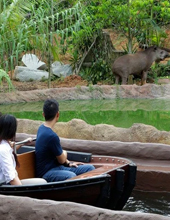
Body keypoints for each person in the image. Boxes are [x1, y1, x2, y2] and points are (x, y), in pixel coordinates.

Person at [35, 99, 95, 182]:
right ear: (58, 114)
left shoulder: (41, 128)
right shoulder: (52, 136)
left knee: (90, 168)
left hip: (58, 167)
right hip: (47, 172)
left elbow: (61, 159)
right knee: (71, 176)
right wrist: (65, 152)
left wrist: (69, 163)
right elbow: (61, 159)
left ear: (43, 114)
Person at [0, 114, 33, 185]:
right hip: (6, 185)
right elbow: (11, 178)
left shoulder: (5, 144)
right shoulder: (3, 149)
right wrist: (23, 193)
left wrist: (23, 143)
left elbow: (11, 149)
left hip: (10, 182)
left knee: (41, 181)